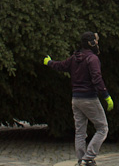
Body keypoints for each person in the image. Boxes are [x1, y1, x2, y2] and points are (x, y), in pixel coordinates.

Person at [43, 32, 113, 166]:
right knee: (102, 128)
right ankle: (88, 158)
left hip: (76, 99)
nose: (97, 43)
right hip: (89, 99)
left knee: (80, 132)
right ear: (91, 43)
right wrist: (106, 96)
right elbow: (97, 78)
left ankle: (81, 160)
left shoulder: (74, 58)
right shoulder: (92, 59)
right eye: (96, 41)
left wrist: (49, 62)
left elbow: (61, 65)